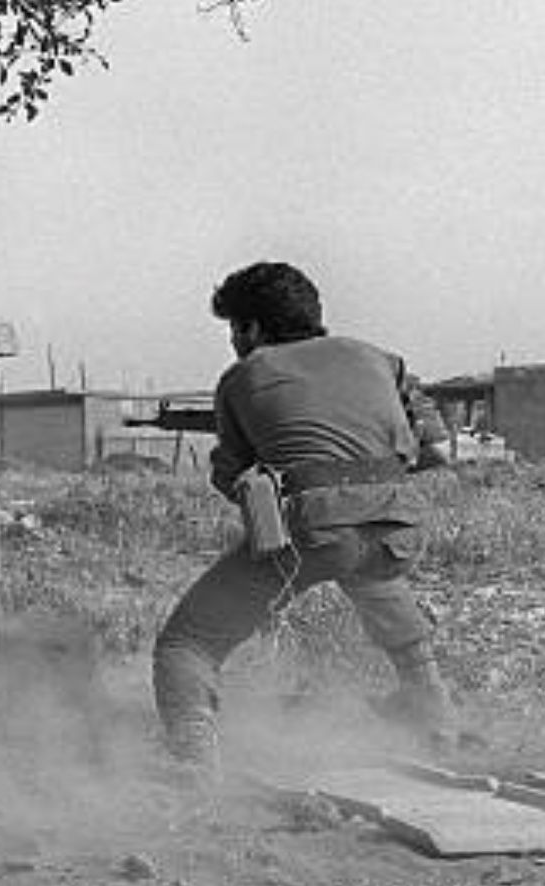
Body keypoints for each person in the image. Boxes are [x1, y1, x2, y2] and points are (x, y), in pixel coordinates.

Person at [151, 261, 456, 780]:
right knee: (371, 575)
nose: (235, 342)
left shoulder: (242, 377)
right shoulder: (384, 360)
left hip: (312, 528)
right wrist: (368, 479)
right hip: (397, 528)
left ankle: (193, 762)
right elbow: (442, 451)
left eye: (235, 330)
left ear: (251, 328)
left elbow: (233, 480)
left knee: (187, 645)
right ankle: (436, 720)